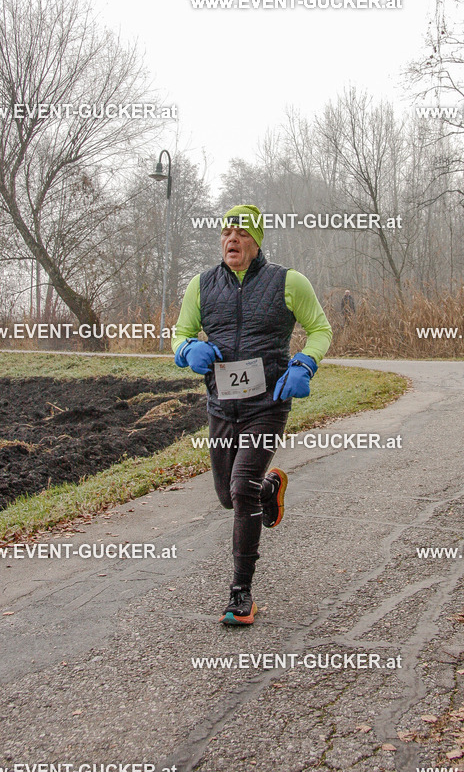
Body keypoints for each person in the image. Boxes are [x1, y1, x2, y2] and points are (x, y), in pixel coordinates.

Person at [172, 204, 332, 625]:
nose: (232, 240)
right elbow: (180, 334)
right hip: (222, 405)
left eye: (241, 233)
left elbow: (320, 329)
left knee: (239, 488)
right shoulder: (202, 285)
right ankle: (268, 491)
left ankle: (240, 594)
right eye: (226, 233)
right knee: (229, 497)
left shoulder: (288, 282)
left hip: (268, 403)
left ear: (257, 240)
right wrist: (189, 350)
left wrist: (304, 364)